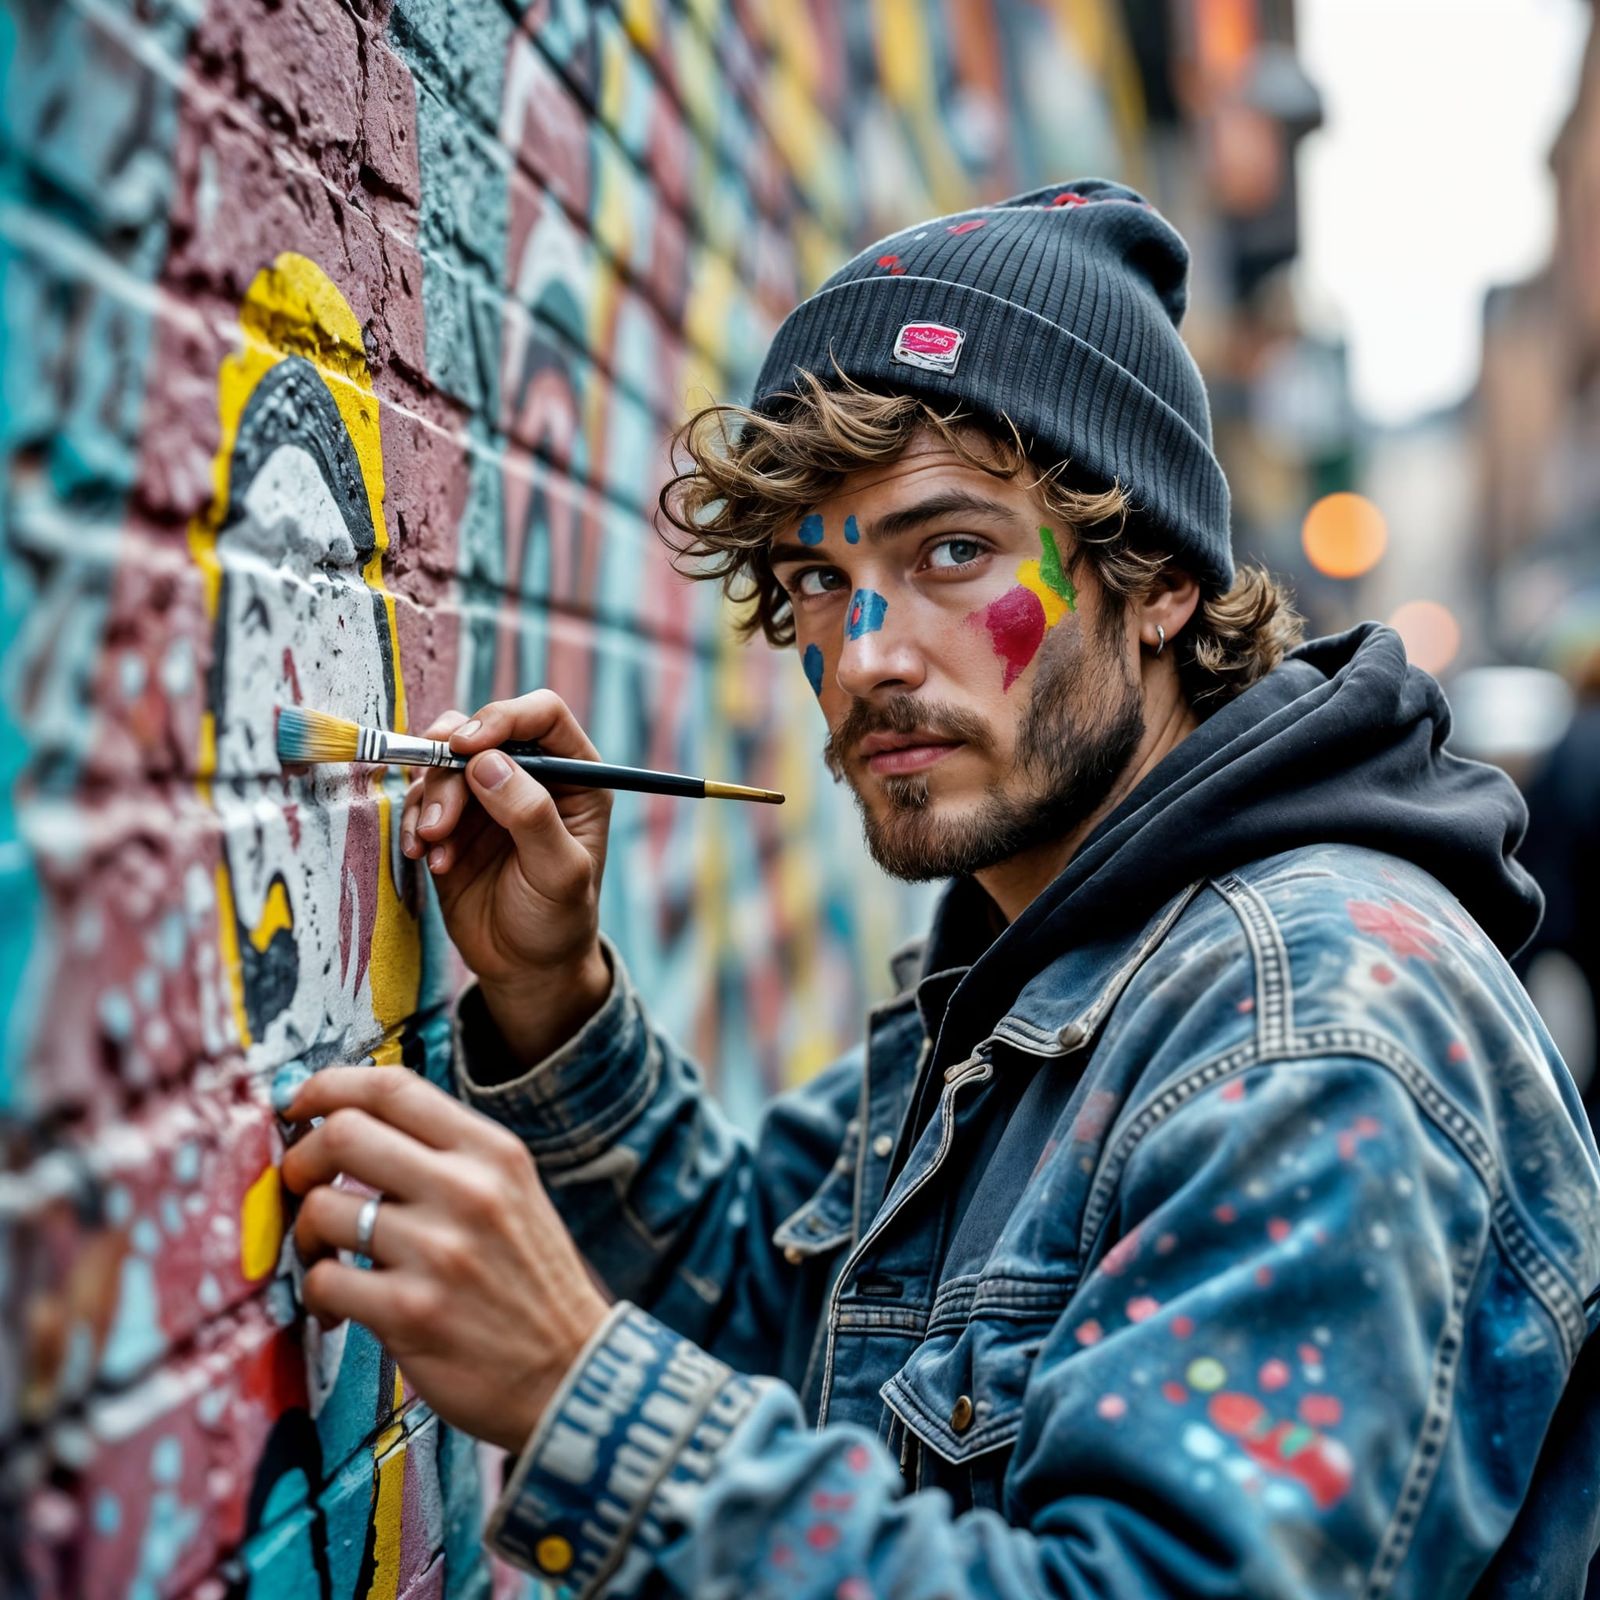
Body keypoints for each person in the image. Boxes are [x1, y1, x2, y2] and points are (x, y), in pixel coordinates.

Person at [276, 180, 1600, 1597]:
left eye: (951, 554)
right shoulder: (1045, 959)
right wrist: (552, 998)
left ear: (1154, 578)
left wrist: (572, 1395)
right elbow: (784, 1316)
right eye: (819, 582)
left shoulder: (1308, 1033)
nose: (864, 660)